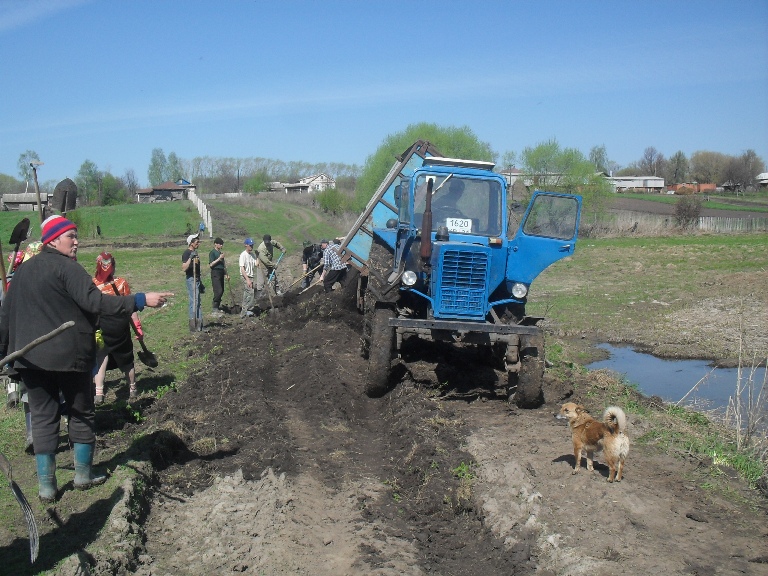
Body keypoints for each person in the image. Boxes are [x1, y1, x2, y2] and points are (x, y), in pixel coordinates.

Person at [0, 214, 172, 503]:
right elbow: (98, 303)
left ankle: (46, 487)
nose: (77, 241)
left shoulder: (23, 273)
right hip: (70, 357)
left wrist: (4, 354)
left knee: (42, 418)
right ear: (53, 240)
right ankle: (82, 475)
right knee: (81, 412)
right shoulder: (69, 269)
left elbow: (5, 316)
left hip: (30, 359)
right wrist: (140, 300)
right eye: (71, 236)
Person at [92, 252, 142, 403]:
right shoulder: (121, 283)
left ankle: (99, 392)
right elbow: (130, 307)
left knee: (101, 356)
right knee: (126, 357)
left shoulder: (92, 284)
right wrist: (138, 328)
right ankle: (132, 388)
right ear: (113, 266)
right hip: (120, 325)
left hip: (101, 325)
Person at [181, 233, 205, 332]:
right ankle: (193, 324)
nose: (198, 243)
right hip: (191, 279)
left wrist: (201, 283)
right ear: (191, 243)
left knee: (198, 301)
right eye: (197, 242)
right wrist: (190, 257)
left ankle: (199, 324)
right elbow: (184, 268)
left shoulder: (196, 253)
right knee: (194, 301)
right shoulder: (187, 253)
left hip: (197, 279)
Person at [238, 238, 259, 318]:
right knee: (251, 293)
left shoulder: (252, 255)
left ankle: (244, 312)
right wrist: (247, 280)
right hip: (245, 276)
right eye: (250, 245)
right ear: (246, 245)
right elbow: (242, 269)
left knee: (247, 294)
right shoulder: (243, 255)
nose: (251, 247)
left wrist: (257, 256)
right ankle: (248, 310)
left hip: (251, 277)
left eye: (252, 245)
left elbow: (256, 264)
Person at [208, 237, 228, 316]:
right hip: (215, 272)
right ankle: (214, 307)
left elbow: (223, 265)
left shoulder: (220, 253)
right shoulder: (212, 253)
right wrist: (219, 258)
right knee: (218, 290)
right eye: (220, 244)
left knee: (222, 290)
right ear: (215, 244)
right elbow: (211, 264)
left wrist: (226, 274)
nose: (221, 245)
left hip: (221, 272)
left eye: (222, 244)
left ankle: (218, 306)